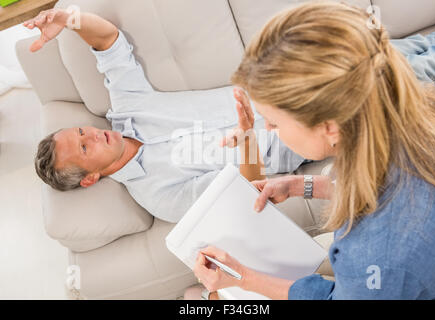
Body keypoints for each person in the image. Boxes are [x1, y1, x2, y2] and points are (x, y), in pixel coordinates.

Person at [192, 2, 435, 300]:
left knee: (205, 301)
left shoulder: (375, 254)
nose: (269, 131)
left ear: (331, 127)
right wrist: (301, 184)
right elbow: (384, 190)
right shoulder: (412, 117)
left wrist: (245, 279)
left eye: (274, 122)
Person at [27, 8, 304, 223]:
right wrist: (247, 137)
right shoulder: (159, 196)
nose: (94, 134)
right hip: (295, 137)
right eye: (85, 147)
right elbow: (246, 191)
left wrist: (67, 19)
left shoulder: (129, 106)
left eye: (81, 132)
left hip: (278, 85)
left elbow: (107, 40)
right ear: (90, 178)